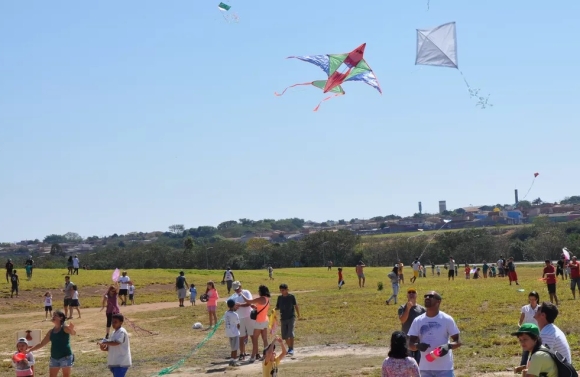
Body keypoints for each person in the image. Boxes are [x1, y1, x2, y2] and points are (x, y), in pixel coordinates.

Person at [408, 291, 461, 377]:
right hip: (425, 368)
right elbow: (410, 344)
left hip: (445, 368)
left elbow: (458, 341)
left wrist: (448, 346)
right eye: (426, 296)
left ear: (438, 301)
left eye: (431, 296)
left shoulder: (447, 319)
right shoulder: (418, 320)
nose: (427, 298)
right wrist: (417, 346)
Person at [28, 310, 76, 377]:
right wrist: (30, 350)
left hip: (66, 357)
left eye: (55, 315)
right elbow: (41, 344)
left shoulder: (64, 328)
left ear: (61, 318)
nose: (53, 317)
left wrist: (71, 329)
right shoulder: (51, 332)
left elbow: (73, 333)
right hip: (54, 358)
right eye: (53, 315)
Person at [242, 285, 270, 363]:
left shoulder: (260, 298)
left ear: (261, 291)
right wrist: (255, 307)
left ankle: (253, 356)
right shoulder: (267, 299)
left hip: (259, 321)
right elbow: (262, 308)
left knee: (255, 338)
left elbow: (248, 301)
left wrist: (241, 294)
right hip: (265, 320)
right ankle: (266, 355)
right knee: (264, 339)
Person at [398, 287, 426, 366]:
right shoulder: (402, 307)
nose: (411, 294)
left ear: (416, 295)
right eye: (409, 292)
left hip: (419, 340)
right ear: (407, 295)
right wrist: (408, 308)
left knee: (419, 364)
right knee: (407, 363)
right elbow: (402, 320)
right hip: (407, 340)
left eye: (413, 292)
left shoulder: (422, 309)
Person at [275, 283, 300, 356]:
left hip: (291, 317)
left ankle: (291, 349)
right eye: (281, 290)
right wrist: (274, 310)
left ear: (287, 290)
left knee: (290, 333)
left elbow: (296, 306)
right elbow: (278, 307)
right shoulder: (280, 298)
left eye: (283, 290)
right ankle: (289, 347)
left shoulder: (291, 297)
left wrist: (298, 315)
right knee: (284, 335)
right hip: (283, 318)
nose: (282, 292)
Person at [232, 281, 254, 361]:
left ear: (240, 286)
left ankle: (255, 353)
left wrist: (240, 305)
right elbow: (233, 308)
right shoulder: (234, 296)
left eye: (237, 289)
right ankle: (242, 353)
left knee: (252, 336)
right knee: (241, 337)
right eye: (235, 290)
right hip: (240, 318)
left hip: (248, 317)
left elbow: (249, 303)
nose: (236, 291)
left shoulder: (246, 292)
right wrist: (235, 307)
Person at [518, 291, 540, 367]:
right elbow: (521, 320)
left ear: (537, 299)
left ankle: (534, 366)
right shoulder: (525, 308)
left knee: (536, 351)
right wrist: (519, 326)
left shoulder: (540, 309)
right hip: (527, 333)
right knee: (525, 351)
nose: (532, 301)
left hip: (536, 333)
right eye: (530, 299)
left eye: (533, 299)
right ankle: (522, 367)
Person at [224, 299, 241, 367]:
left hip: (229, 332)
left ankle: (231, 360)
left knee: (232, 347)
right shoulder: (235, 314)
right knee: (235, 348)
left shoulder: (226, 313)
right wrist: (239, 329)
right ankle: (234, 361)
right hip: (235, 333)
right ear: (234, 305)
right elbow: (238, 324)